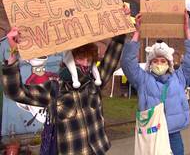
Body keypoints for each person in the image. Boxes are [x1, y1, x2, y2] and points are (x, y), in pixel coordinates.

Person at [2, 25, 126, 154]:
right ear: (69, 60)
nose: (85, 64)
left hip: (98, 149)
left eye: (88, 60)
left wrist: (122, 28)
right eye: (80, 58)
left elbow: (112, 57)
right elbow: (16, 92)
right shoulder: (54, 89)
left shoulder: (94, 82)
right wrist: (13, 54)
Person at [121, 10, 190, 155]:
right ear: (150, 63)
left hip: (173, 135)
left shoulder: (179, 77)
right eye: (155, 61)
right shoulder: (143, 79)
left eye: (163, 61)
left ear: (169, 63)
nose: (159, 63)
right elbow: (128, 64)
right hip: (151, 134)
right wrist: (137, 33)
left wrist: (187, 31)